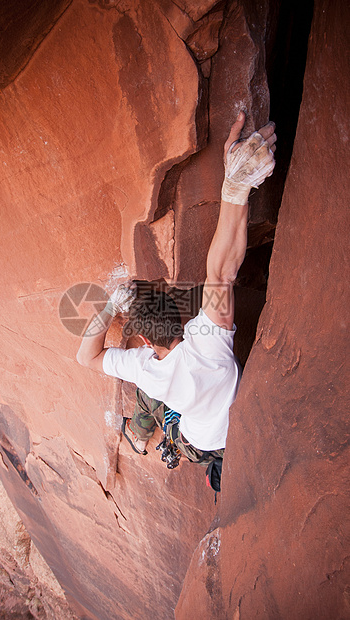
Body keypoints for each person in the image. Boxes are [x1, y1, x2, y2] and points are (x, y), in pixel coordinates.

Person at [77, 112, 277, 474]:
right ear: (180, 316)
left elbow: (86, 357)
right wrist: (235, 184)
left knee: (144, 395)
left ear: (143, 340)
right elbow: (222, 272)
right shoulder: (207, 337)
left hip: (202, 443)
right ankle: (144, 433)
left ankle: (139, 436)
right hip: (239, 426)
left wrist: (111, 304)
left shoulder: (146, 371)